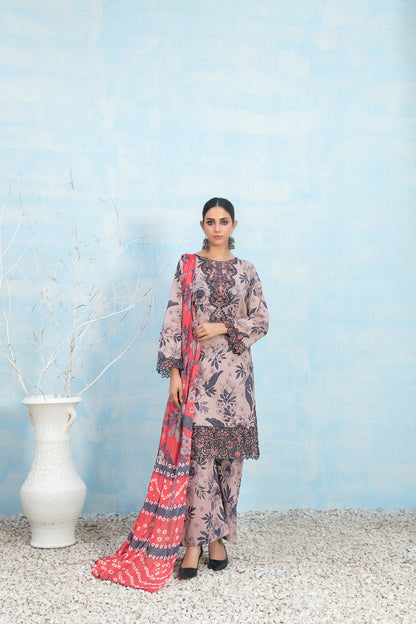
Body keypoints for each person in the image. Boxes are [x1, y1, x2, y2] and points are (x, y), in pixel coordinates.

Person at [157, 197, 269, 578]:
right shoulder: (188, 266)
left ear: (234, 226)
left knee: (229, 461)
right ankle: (194, 544)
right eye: (210, 221)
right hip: (197, 375)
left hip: (236, 380)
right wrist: (174, 372)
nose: (217, 228)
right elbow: (174, 317)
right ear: (202, 225)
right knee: (197, 459)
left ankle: (218, 538)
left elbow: (262, 320)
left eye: (223, 221)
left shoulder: (247, 270)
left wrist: (223, 326)